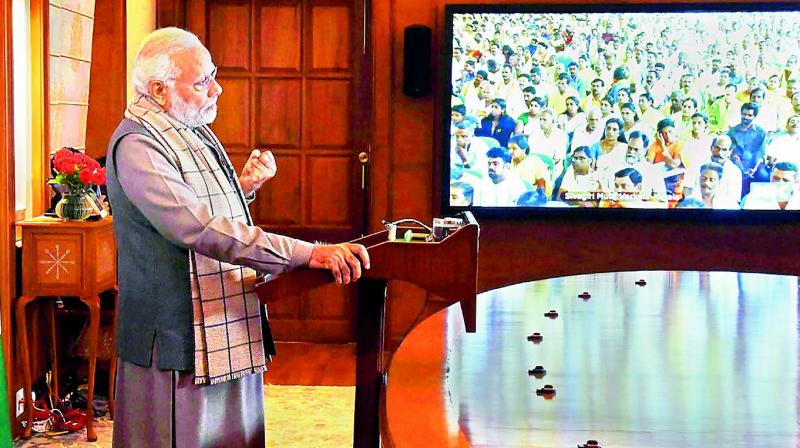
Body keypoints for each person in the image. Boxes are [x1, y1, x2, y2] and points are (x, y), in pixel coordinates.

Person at [106, 28, 370, 448]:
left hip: (222, 315)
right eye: (202, 82)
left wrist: (243, 186)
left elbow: (198, 209)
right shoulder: (138, 144)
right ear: (158, 89)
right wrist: (307, 254)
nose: (217, 89)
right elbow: (193, 226)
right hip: (177, 330)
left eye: (213, 75)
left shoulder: (187, 126)